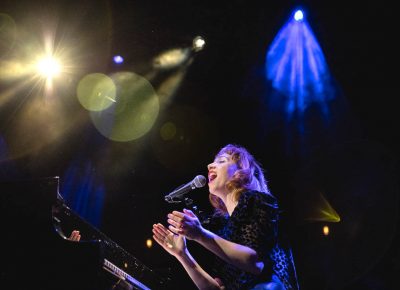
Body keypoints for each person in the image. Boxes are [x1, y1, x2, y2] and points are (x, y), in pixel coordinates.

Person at [152, 144, 299, 289]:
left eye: (221, 161)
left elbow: (256, 263)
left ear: (241, 171)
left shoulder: (259, 202)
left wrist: (200, 234)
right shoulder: (223, 231)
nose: (210, 165)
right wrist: (182, 255)